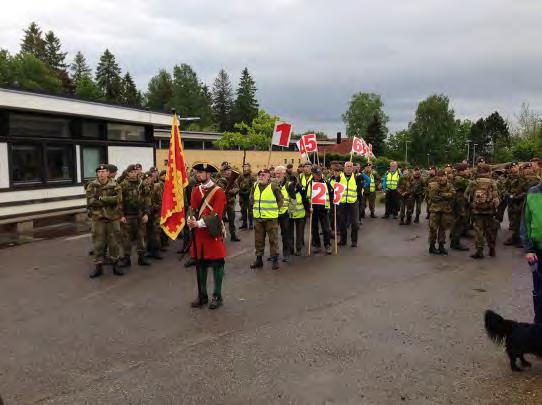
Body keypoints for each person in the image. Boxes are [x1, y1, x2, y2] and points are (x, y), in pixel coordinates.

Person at [188, 162, 227, 310]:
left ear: (208, 174)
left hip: (212, 232)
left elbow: (216, 214)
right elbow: (192, 208)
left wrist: (198, 223)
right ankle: (202, 295)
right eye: (197, 172)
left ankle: (217, 295)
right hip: (199, 234)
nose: (198, 175)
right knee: (200, 265)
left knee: (217, 265)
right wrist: (190, 219)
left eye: (200, 173)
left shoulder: (218, 191)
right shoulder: (196, 190)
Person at [85, 164, 123, 278]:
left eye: (104, 171)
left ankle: (115, 266)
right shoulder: (92, 185)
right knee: (98, 244)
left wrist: (101, 198)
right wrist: (109, 201)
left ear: (108, 173)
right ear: (97, 174)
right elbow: (91, 201)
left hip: (113, 219)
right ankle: (98, 267)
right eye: (99, 172)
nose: (101, 174)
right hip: (98, 219)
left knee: (114, 243)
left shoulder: (115, 185)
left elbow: (118, 199)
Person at [249, 169, 284, 270]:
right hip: (258, 218)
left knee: (273, 240)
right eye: (259, 175)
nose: (261, 177)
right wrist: (253, 209)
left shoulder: (273, 186)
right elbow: (251, 198)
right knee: (258, 240)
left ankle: (275, 260)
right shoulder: (255, 185)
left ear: (269, 177)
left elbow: (280, 199)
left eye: (263, 175)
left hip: (270, 218)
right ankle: (259, 259)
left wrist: (275, 210)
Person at [118, 164, 151, 267]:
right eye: (131, 172)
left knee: (141, 237)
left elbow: (147, 199)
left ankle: (142, 257)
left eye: (135, 171)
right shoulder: (123, 185)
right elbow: (119, 201)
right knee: (126, 239)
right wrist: (121, 215)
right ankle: (126, 259)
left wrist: (146, 213)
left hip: (140, 215)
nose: (133, 174)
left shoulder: (142, 184)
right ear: (127, 173)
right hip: (127, 216)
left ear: (138, 172)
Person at [465, 164, 500, 259]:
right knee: (489, 230)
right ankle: (492, 249)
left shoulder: (473, 182)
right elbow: (496, 198)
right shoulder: (492, 182)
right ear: (489, 172)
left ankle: (479, 251)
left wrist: (472, 204)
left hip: (477, 211)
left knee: (478, 231)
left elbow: (466, 195)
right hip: (489, 211)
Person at [520, 176, 542, 324]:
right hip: (538, 252)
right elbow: (525, 223)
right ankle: (539, 325)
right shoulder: (533, 193)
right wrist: (528, 249)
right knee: (539, 293)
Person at [427, 170, 455, 255]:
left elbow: (453, 194)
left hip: (445, 210)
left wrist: (442, 194)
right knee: (433, 229)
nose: (442, 178)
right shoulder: (433, 185)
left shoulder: (449, 185)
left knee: (443, 229)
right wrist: (446, 196)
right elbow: (433, 198)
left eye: (444, 176)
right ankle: (432, 246)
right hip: (435, 210)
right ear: (437, 178)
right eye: (440, 176)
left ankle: (441, 246)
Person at [308, 167, 333, 254]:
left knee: (326, 229)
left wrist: (332, 202)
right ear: (313, 174)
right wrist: (309, 206)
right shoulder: (310, 183)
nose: (319, 176)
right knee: (314, 228)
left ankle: (327, 245)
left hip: (324, 209)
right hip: (314, 209)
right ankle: (317, 245)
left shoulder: (326, 182)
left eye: (320, 174)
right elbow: (307, 196)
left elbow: (331, 193)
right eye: (317, 174)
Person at [336, 161, 361, 247]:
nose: (349, 168)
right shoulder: (339, 177)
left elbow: (359, 190)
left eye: (351, 166)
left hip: (353, 202)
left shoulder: (356, 177)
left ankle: (354, 241)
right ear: (344, 168)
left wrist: (359, 201)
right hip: (342, 203)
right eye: (347, 166)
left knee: (354, 223)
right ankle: (343, 240)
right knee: (342, 222)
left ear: (353, 168)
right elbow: (336, 189)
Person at [504, 162, 529, 246]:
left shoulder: (524, 177)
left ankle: (520, 239)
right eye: (512, 167)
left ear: (518, 167)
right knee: (513, 221)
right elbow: (503, 188)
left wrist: (517, 196)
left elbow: (526, 190)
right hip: (511, 201)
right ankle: (515, 238)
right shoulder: (509, 178)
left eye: (515, 166)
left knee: (520, 220)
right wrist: (508, 194)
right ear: (510, 169)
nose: (514, 168)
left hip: (520, 201)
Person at [217, 165, 241, 242]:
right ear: (223, 172)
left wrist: (230, 191)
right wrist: (230, 191)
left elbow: (237, 188)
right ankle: (221, 236)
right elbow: (221, 190)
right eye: (227, 171)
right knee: (221, 221)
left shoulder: (233, 179)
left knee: (232, 220)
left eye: (230, 170)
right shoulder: (220, 181)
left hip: (231, 203)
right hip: (223, 203)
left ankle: (233, 235)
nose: (228, 172)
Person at [449, 163, 470, 251]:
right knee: (459, 221)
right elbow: (472, 184)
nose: (468, 171)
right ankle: (455, 243)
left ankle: (454, 240)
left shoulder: (458, 177)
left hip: (458, 200)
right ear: (461, 170)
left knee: (457, 221)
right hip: (459, 201)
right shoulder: (459, 179)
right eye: (466, 169)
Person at [275, 166, 292, 262]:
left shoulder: (288, 185)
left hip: (285, 213)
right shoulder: (272, 184)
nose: (277, 175)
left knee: (285, 234)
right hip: (274, 213)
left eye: (279, 173)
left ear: (284, 174)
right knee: (273, 235)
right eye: (276, 173)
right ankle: (274, 254)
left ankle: (286, 253)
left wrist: (290, 210)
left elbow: (293, 199)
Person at [288, 175, 307, 256]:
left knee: (299, 233)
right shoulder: (287, 190)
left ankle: (298, 249)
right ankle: (291, 249)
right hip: (290, 214)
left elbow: (305, 200)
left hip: (300, 214)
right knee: (290, 233)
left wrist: (308, 209)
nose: (293, 183)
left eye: (294, 181)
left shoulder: (301, 190)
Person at [236, 163, 256, 230]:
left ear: (249, 167)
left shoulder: (252, 176)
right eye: (244, 166)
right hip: (242, 195)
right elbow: (237, 183)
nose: (245, 168)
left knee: (250, 211)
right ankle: (244, 224)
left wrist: (249, 192)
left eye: (247, 166)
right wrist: (240, 190)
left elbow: (254, 185)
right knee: (243, 210)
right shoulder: (241, 176)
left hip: (249, 195)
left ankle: (250, 224)